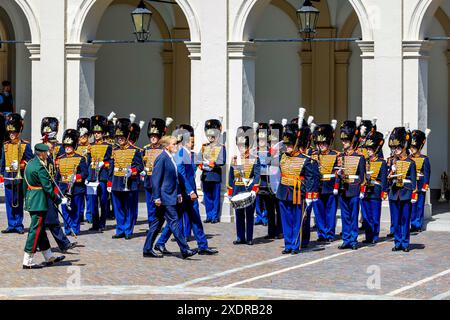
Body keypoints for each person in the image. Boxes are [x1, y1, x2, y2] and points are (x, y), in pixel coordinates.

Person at [154, 125, 218, 255]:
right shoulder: (181, 154)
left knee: (194, 219)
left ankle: (202, 245)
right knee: (176, 220)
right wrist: (190, 191)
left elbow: (195, 168)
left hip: (189, 192)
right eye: (191, 141)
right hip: (184, 193)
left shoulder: (189, 154)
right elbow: (181, 174)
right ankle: (161, 243)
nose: (193, 143)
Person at [143, 135, 197, 259]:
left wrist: (178, 193)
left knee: (157, 224)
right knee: (174, 222)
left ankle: (147, 249)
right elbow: (156, 180)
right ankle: (185, 249)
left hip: (169, 196)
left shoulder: (170, 158)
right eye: (174, 144)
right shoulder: (162, 158)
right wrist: (156, 197)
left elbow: (175, 178)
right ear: (167, 146)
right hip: (164, 197)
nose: (176, 146)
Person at [276, 119, 319, 255]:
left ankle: (295, 244)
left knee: (296, 220)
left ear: (295, 143)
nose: (287, 146)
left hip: (297, 192)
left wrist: (310, 195)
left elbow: (311, 178)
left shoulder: (306, 158)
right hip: (283, 191)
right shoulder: (282, 157)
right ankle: (288, 243)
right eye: (286, 144)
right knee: (286, 219)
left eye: (289, 144)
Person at [22, 143, 66, 269]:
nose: (47, 154)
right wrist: (58, 200)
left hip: (32, 200)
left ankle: (49, 256)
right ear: (41, 153)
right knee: (35, 231)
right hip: (39, 202)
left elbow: (25, 185)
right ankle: (28, 260)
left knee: (40, 231)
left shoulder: (30, 163)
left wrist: (27, 200)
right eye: (46, 152)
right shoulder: (40, 167)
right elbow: (48, 188)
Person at [41, 117, 76, 252]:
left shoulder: (50, 156)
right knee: (46, 222)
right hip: (42, 193)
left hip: (50, 192)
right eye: (52, 143)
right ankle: (60, 244)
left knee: (49, 220)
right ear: (45, 141)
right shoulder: (41, 155)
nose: (54, 145)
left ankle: (63, 244)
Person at [109, 118, 143, 240]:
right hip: (117, 182)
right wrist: (109, 182)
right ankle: (120, 229)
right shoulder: (115, 150)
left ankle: (128, 230)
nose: (120, 140)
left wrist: (132, 172)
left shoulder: (135, 150)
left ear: (127, 136)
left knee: (130, 207)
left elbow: (140, 166)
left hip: (130, 182)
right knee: (118, 208)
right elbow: (111, 167)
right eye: (118, 138)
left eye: (122, 138)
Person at [0, 110, 33, 234]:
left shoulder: (25, 145)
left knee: (18, 201)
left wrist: (23, 164)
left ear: (18, 131)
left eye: (14, 132)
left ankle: (18, 224)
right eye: (10, 132)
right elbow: (3, 161)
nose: (11, 134)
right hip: (8, 176)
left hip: (19, 176)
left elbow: (31, 160)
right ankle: (11, 224)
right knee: (9, 201)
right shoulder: (6, 145)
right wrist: (1, 174)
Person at [228, 126, 261, 245]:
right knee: (239, 214)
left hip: (248, 189)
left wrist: (254, 190)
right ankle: (240, 237)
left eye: (244, 146)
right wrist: (230, 193)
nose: (242, 148)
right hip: (237, 188)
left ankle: (249, 237)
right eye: (240, 146)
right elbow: (231, 176)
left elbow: (257, 176)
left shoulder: (254, 159)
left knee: (249, 214)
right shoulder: (235, 159)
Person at [336, 120, 366, 250]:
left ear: (352, 141)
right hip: (343, 189)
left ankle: (353, 240)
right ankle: (346, 239)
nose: (343, 143)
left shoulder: (359, 157)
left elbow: (362, 175)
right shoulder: (340, 156)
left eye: (346, 140)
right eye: (343, 140)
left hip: (354, 189)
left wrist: (361, 189)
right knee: (345, 216)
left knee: (353, 216)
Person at [387, 127, 417, 252]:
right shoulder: (391, 161)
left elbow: (414, 181)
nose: (396, 151)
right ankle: (397, 242)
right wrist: (390, 174)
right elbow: (387, 178)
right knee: (396, 219)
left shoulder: (411, 162)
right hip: (394, 193)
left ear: (404, 147)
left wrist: (413, 195)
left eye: (398, 148)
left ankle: (405, 243)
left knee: (405, 220)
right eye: (395, 148)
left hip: (405, 192)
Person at [311, 122, 340, 243]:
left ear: (328, 142)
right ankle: (321, 233)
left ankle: (329, 233)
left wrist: (336, 186)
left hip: (330, 186)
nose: (321, 145)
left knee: (330, 212)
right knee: (318, 212)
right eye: (319, 143)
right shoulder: (313, 155)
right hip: (317, 187)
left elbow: (338, 172)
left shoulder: (336, 155)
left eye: (323, 143)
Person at [55, 129, 88, 236]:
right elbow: (57, 175)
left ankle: (75, 228)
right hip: (63, 188)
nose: (67, 148)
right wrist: (56, 189)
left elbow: (85, 173)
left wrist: (77, 177)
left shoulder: (80, 158)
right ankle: (67, 228)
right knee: (64, 209)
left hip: (76, 188)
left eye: (69, 146)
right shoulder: (60, 158)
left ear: (74, 146)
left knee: (76, 209)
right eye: (66, 146)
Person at [360, 131, 388, 244]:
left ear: (376, 149)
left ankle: (375, 236)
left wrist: (384, 191)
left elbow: (384, 179)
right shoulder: (364, 161)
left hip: (375, 191)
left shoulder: (382, 162)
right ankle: (368, 236)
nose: (369, 151)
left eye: (371, 149)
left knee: (375, 215)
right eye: (368, 149)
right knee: (366, 216)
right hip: (365, 190)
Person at [256, 122, 282, 239]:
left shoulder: (281, 149)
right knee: (270, 209)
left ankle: (279, 231)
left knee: (279, 209)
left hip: (278, 182)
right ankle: (271, 231)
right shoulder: (267, 150)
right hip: (267, 183)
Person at [87, 115, 113, 231]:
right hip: (92, 176)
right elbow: (87, 162)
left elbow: (110, 162)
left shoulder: (108, 146)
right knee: (92, 202)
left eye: (99, 132)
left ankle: (102, 223)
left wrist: (104, 164)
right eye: (95, 132)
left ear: (102, 133)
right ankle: (95, 223)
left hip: (102, 176)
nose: (97, 134)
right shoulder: (90, 146)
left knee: (103, 201)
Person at [142, 118, 168, 227]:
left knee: (160, 205)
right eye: (151, 135)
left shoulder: (164, 149)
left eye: (155, 136)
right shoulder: (145, 149)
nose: (153, 137)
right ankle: (151, 225)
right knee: (150, 205)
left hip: (160, 181)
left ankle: (159, 224)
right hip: (148, 180)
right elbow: (143, 163)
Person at [200, 119, 226, 223]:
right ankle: (209, 215)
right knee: (207, 197)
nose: (211, 136)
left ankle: (215, 216)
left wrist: (214, 164)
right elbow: (198, 159)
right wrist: (200, 164)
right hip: (206, 174)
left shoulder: (221, 147)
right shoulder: (204, 146)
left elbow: (222, 161)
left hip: (215, 175)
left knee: (215, 197)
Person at [409, 129, 431, 233]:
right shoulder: (409, 158)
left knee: (419, 205)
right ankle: (412, 224)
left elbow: (427, 173)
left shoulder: (424, 159)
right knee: (412, 205)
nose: (412, 149)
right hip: (412, 184)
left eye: (414, 147)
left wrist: (425, 185)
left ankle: (418, 225)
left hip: (421, 183)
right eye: (411, 147)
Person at [76, 118, 92, 223]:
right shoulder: (76, 147)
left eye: (84, 136)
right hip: (79, 175)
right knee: (79, 197)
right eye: (81, 136)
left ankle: (89, 216)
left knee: (89, 197)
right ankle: (80, 216)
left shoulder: (91, 147)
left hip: (90, 174)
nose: (82, 138)